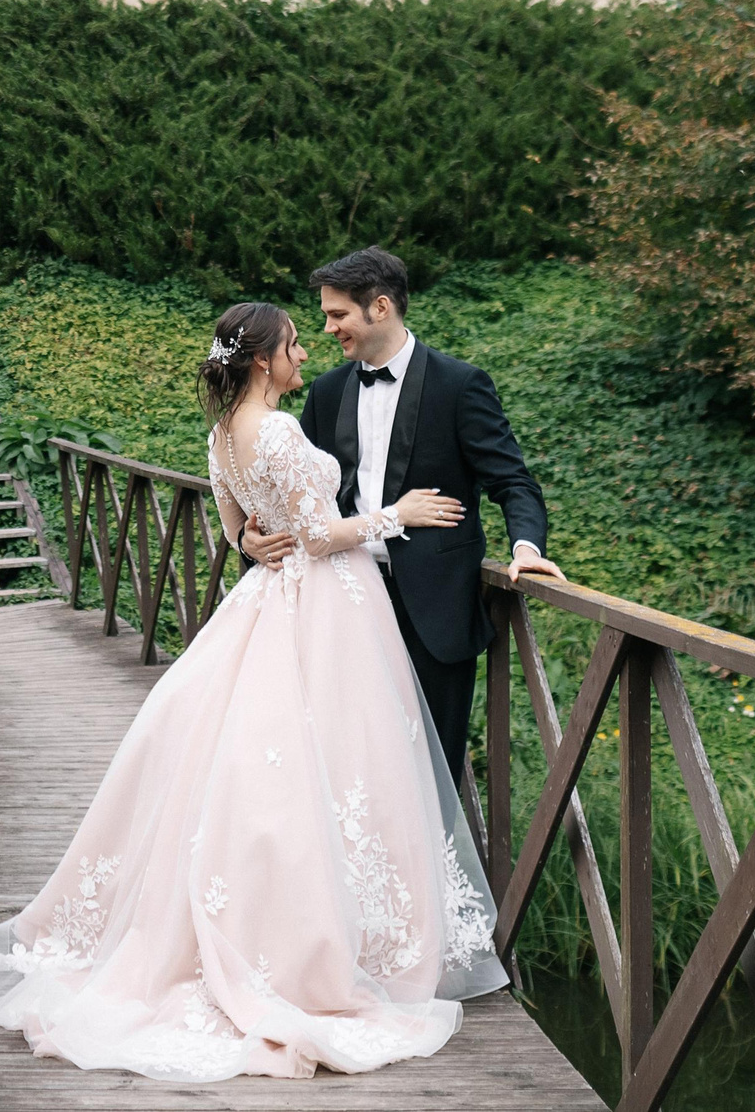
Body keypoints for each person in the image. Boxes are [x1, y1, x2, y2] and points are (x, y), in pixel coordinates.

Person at [0, 303, 508, 1081]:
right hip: (326, 607)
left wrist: (254, 538)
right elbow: (319, 535)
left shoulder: (220, 437)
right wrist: (399, 513)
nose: (301, 356)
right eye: (292, 345)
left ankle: (289, 925)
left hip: (265, 604)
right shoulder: (279, 431)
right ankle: (345, 945)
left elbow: (237, 532)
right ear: (263, 360)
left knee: (273, 772)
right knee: (344, 767)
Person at [241, 246, 563, 793]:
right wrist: (254, 536)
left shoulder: (461, 385)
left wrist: (525, 549)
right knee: (345, 770)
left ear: (381, 307)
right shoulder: (325, 391)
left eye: (337, 314)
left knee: (430, 775)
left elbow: (513, 482)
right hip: (338, 604)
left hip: (434, 612)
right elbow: (302, 494)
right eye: (324, 315)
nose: (327, 328)